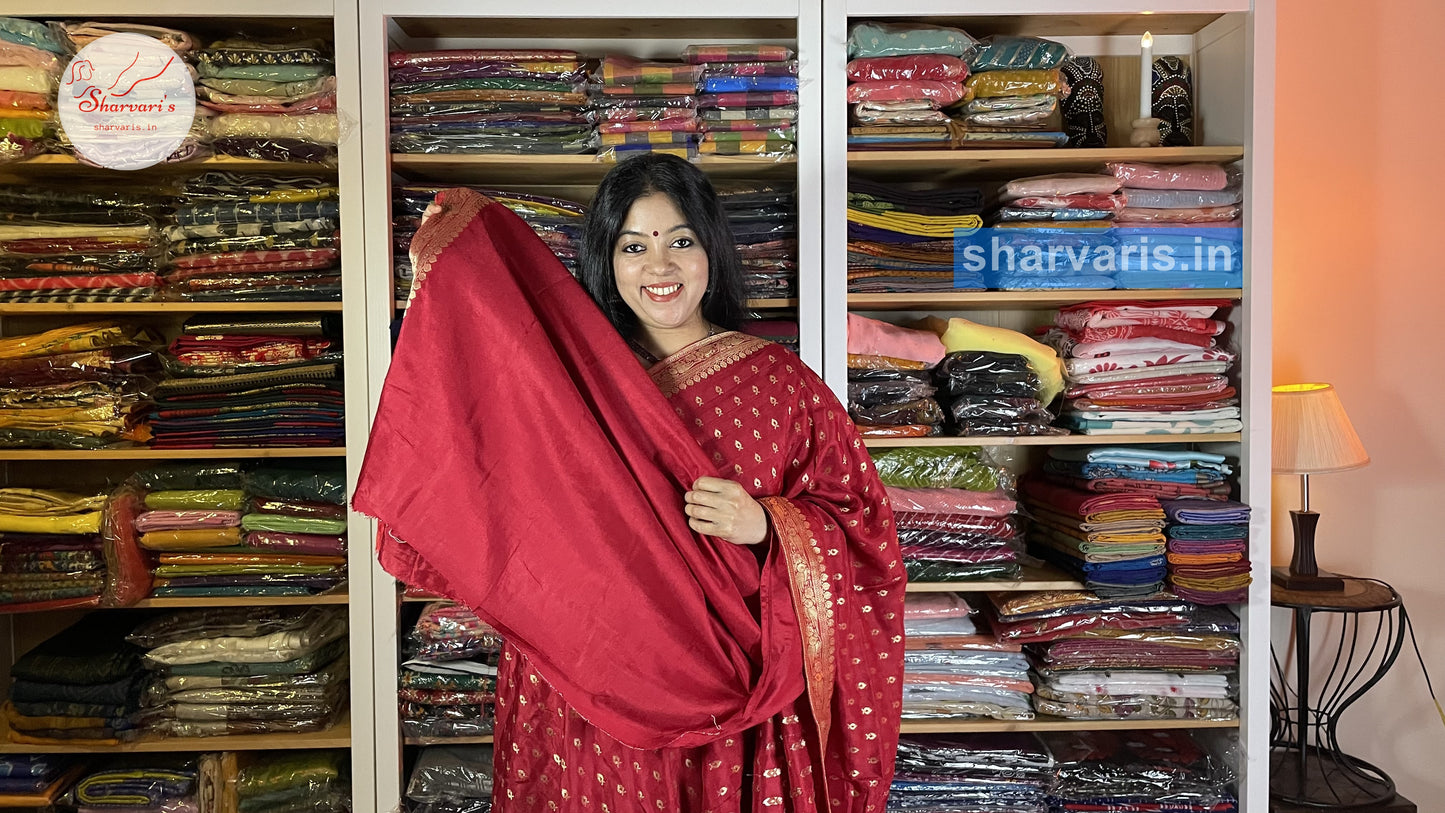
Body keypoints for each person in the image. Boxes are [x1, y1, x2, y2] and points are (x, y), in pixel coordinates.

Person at [355, 154, 905, 813]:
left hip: (736, 690)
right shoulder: (566, 384)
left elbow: (865, 533)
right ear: (607, 260)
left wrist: (767, 523)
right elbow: (493, 476)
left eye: (680, 241)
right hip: (589, 674)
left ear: (711, 250)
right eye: (633, 246)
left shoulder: (785, 387)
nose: (659, 267)